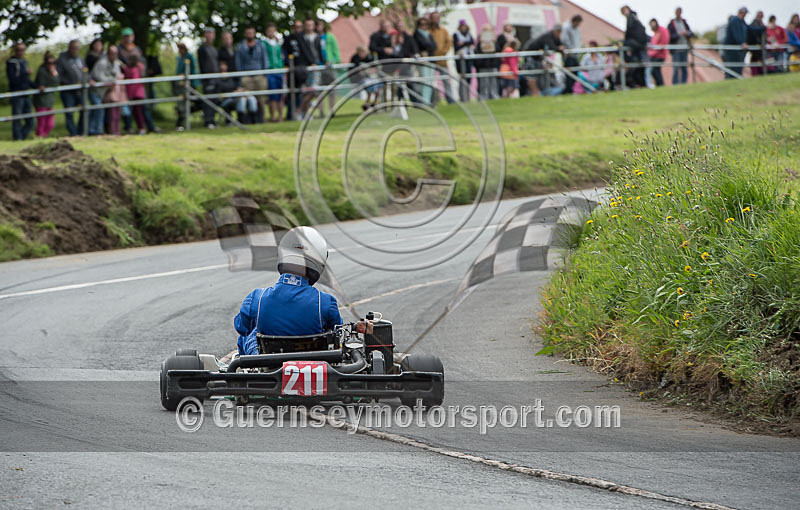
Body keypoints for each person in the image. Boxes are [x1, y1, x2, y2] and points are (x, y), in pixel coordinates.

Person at [234, 227, 343, 356]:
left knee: (250, 332)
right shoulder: (325, 302)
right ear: (319, 262)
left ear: (282, 255)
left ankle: (246, 371)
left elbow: (241, 327)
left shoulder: (257, 298)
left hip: (269, 363)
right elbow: (338, 332)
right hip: (313, 363)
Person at [235, 25, 269, 123]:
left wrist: (264, 73)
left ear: (254, 33)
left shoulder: (260, 45)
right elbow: (239, 63)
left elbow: (264, 60)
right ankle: (249, 119)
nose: (250, 34)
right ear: (245, 34)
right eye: (248, 33)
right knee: (247, 97)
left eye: (251, 32)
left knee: (261, 98)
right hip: (246, 76)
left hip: (259, 74)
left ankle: (263, 118)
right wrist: (241, 76)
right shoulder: (241, 46)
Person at [522, 25, 563, 96]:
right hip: (530, 56)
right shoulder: (547, 36)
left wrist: (561, 48)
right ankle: (534, 93)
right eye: (558, 32)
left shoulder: (555, 37)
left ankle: (537, 93)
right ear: (555, 31)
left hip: (537, 58)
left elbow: (560, 45)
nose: (559, 34)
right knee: (531, 76)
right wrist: (560, 49)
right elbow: (553, 47)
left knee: (537, 74)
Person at [92, 46, 124, 135]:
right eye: (113, 53)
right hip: (98, 91)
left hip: (109, 91)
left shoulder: (116, 63)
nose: (115, 55)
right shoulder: (102, 63)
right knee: (98, 110)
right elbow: (99, 77)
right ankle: (95, 131)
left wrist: (114, 80)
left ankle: (108, 130)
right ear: (108, 54)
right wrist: (112, 80)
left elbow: (118, 75)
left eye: (116, 53)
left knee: (111, 111)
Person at [56, 40, 85, 136]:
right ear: (69, 48)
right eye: (73, 48)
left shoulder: (80, 59)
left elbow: (85, 71)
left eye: (77, 48)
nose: (75, 50)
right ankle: (73, 133)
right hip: (68, 91)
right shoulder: (62, 59)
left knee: (84, 111)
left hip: (80, 91)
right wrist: (71, 83)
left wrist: (86, 80)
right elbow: (59, 76)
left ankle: (80, 132)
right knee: (69, 113)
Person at [6, 42, 34, 141]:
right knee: (17, 118)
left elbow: (27, 79)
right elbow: (13, 79)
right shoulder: (11, 62)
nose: (21, 52)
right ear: (15, 51)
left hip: (26, 93)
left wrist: (35, 86)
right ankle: (18, 139)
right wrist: (24, 73)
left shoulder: (24, 61)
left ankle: (21, 137)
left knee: (30, 120)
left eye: (23, 50)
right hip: (17, 94)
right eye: (19, 50)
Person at [724, 7, 762, 79]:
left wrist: (762, 28)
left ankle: (736, 80)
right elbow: (736, 34)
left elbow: (750, 28)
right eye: (745, 13)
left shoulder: (742, 21)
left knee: (738, 67)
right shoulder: (735, 20)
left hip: (738, 50)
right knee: (732, 67)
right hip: (732, 50)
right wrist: (742, 43)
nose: (745, 15)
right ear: (741, 13)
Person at [621, 5, 649, 88]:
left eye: (625, 10)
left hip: (637, 43)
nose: (625, 13)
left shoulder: (630, 18)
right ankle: (643, 84)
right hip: (641, 43)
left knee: (640, 64)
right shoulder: (635, 18)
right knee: (643, 64)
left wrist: (626, 42)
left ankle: (642, 83)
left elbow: (629, 30)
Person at [197, 27, 220, 128]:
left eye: (211, 33)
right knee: (208, 100)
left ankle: (213, 119)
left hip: (215, 78)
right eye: (208, 33)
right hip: (207, 79)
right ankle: (208, 121)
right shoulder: (202, 49)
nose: (210, 35)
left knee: (215, 100)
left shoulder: (214, 49)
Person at [174, 42, 199, 130]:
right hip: (180, 85)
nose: (179, 50)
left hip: (189, 84)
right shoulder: (178, 57)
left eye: (180, 48)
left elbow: (193, 69)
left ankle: (182, 121)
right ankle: (180, 123)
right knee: (181, 103)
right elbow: (178, 70)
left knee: (188, 103)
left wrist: (189, 80)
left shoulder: (189, 56)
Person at [317, 20, 341, 116]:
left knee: (332, 90)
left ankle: (332, 111)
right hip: (319, 67)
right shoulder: (315, 38)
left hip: (330, 67)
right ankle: (321, 112)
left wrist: (333, 61)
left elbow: (336, 51)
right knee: (320, 91)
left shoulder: (330, 37)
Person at [33, 52, 58, 138]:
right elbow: (41, 84)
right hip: (41, 101)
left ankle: (44, 136)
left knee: (50, 123)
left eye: (53, 63)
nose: (51, 65)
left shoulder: (54, 72)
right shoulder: (41, 71)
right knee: (42, 122)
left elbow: (56, 84)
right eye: (49, 63)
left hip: (49, 101)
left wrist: (54, 75)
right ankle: (39, 136)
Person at [430, 12, 453, 104]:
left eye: (437, 18)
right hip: (431, 60)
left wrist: (442, 52)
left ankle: (450, 99)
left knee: (446, 80)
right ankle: (432, 101)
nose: (435, 20)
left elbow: (448, 43)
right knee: (430, 81)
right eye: (434, 18)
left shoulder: (444, 31)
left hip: (442, 60)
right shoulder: (428, 31)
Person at [263, 22, 285, 122]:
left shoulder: (278, 44)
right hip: (270, 71)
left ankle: (280, 116)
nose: (272, 33)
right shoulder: (264, 44)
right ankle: (272, 116)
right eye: (270, 31)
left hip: (279, 71)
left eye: (273, 31)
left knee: (281, 95)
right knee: (272, 95)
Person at [413, 17, 438, 104]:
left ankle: (428, 100)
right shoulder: (416, 34)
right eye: (421, 24)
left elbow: (434, 46)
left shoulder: (428, 34)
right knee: (424, 81)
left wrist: (428, 47)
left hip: (431, 60)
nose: (424, 26)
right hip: (423, 61)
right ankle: (424, 101)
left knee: (430, 81)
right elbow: (423, 45)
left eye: (425, 24)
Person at [667, 8, 693, 84]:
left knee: (684, 67)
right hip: (676, 50)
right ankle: (675, 84)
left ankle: (684, 83)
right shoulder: (671, 23)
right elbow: (670, 37)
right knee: (676, 68)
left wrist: (686, 33)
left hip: (684, 48)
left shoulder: (684, 22)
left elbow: (691, 33)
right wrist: (679, 34)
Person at [123, 54, 146, 134]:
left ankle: (141, 128)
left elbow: (134, 81)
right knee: (134, 112)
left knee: (138, 112)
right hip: (132, 93)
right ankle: (136, 127)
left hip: (136, 93)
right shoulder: (130, 68)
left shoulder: (136, 69)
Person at [85, 40, 105, 135]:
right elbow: (85, 70)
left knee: (98, 108)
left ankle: (96, 129)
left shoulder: (103, 57)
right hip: (93, 86)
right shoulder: (89, 57)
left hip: (101, 87)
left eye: (100, 44)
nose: (98, 46)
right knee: (97, 107)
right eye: (96, 44)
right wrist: (89, 79)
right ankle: (94, 130)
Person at [474, 24, 498, 100]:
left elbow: (498, 50)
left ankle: (493, 95)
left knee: (493, 82)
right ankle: (483, 96)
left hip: (492, 64)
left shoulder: (494, 41)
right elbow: (477, 51)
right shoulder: (479, 42)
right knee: (483, 83)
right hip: (483, 64)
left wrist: (494, 42)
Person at [452, 20, 475, 102]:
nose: (463, 27)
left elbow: (472, 42)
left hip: (468, 58)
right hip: (460, 59)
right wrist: (466, 43)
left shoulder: (469, 34)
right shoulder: (456, 35)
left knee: (468, 78)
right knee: (462, 78)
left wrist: (463, 43)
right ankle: (462, 97)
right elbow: (457, 46)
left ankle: (467, 96)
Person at [561, 15, 583, 93]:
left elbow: (579, 40)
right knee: (569, 74)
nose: (578, 25)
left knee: (576, 73)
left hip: (575, 55)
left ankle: (572, 89)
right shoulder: (566, 28)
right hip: (569, 55)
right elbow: (565, 40)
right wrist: (571, 49)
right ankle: (568, 90)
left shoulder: (577, 30)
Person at [647, 19, 669, 87]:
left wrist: (651, 53)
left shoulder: (662, 30)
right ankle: (659, 84)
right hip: (655, 55)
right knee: (655, 70)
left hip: (660, 55)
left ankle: (660, 84)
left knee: (655, 70)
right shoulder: (655, 33)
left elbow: (663, 43)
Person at [749, 11, 766, 76]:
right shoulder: (755, 23)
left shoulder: (760, 23)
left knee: (757, 60)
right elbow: (755, 33)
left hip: (758, 46)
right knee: (755, 60)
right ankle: (755, 74)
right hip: (756, 46)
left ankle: (757, 74)